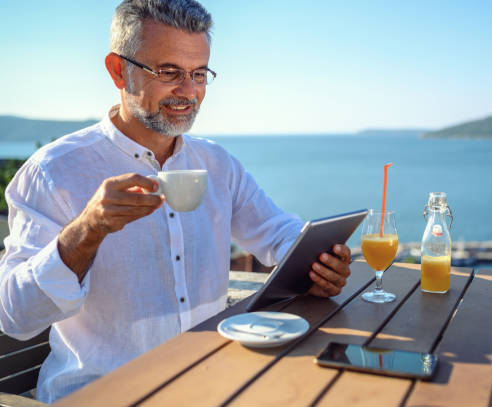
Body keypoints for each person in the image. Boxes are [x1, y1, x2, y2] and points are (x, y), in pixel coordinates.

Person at [0, 0, 352, 403]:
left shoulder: (216, 163)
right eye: (168, 72)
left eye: (199, 73)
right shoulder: (54, 171)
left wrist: (322, 264)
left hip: (209, 387)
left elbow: (279, 233)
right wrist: (87, 230)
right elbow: (15, 316)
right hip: (103, 396)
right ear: (118, 70)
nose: (189, 92)